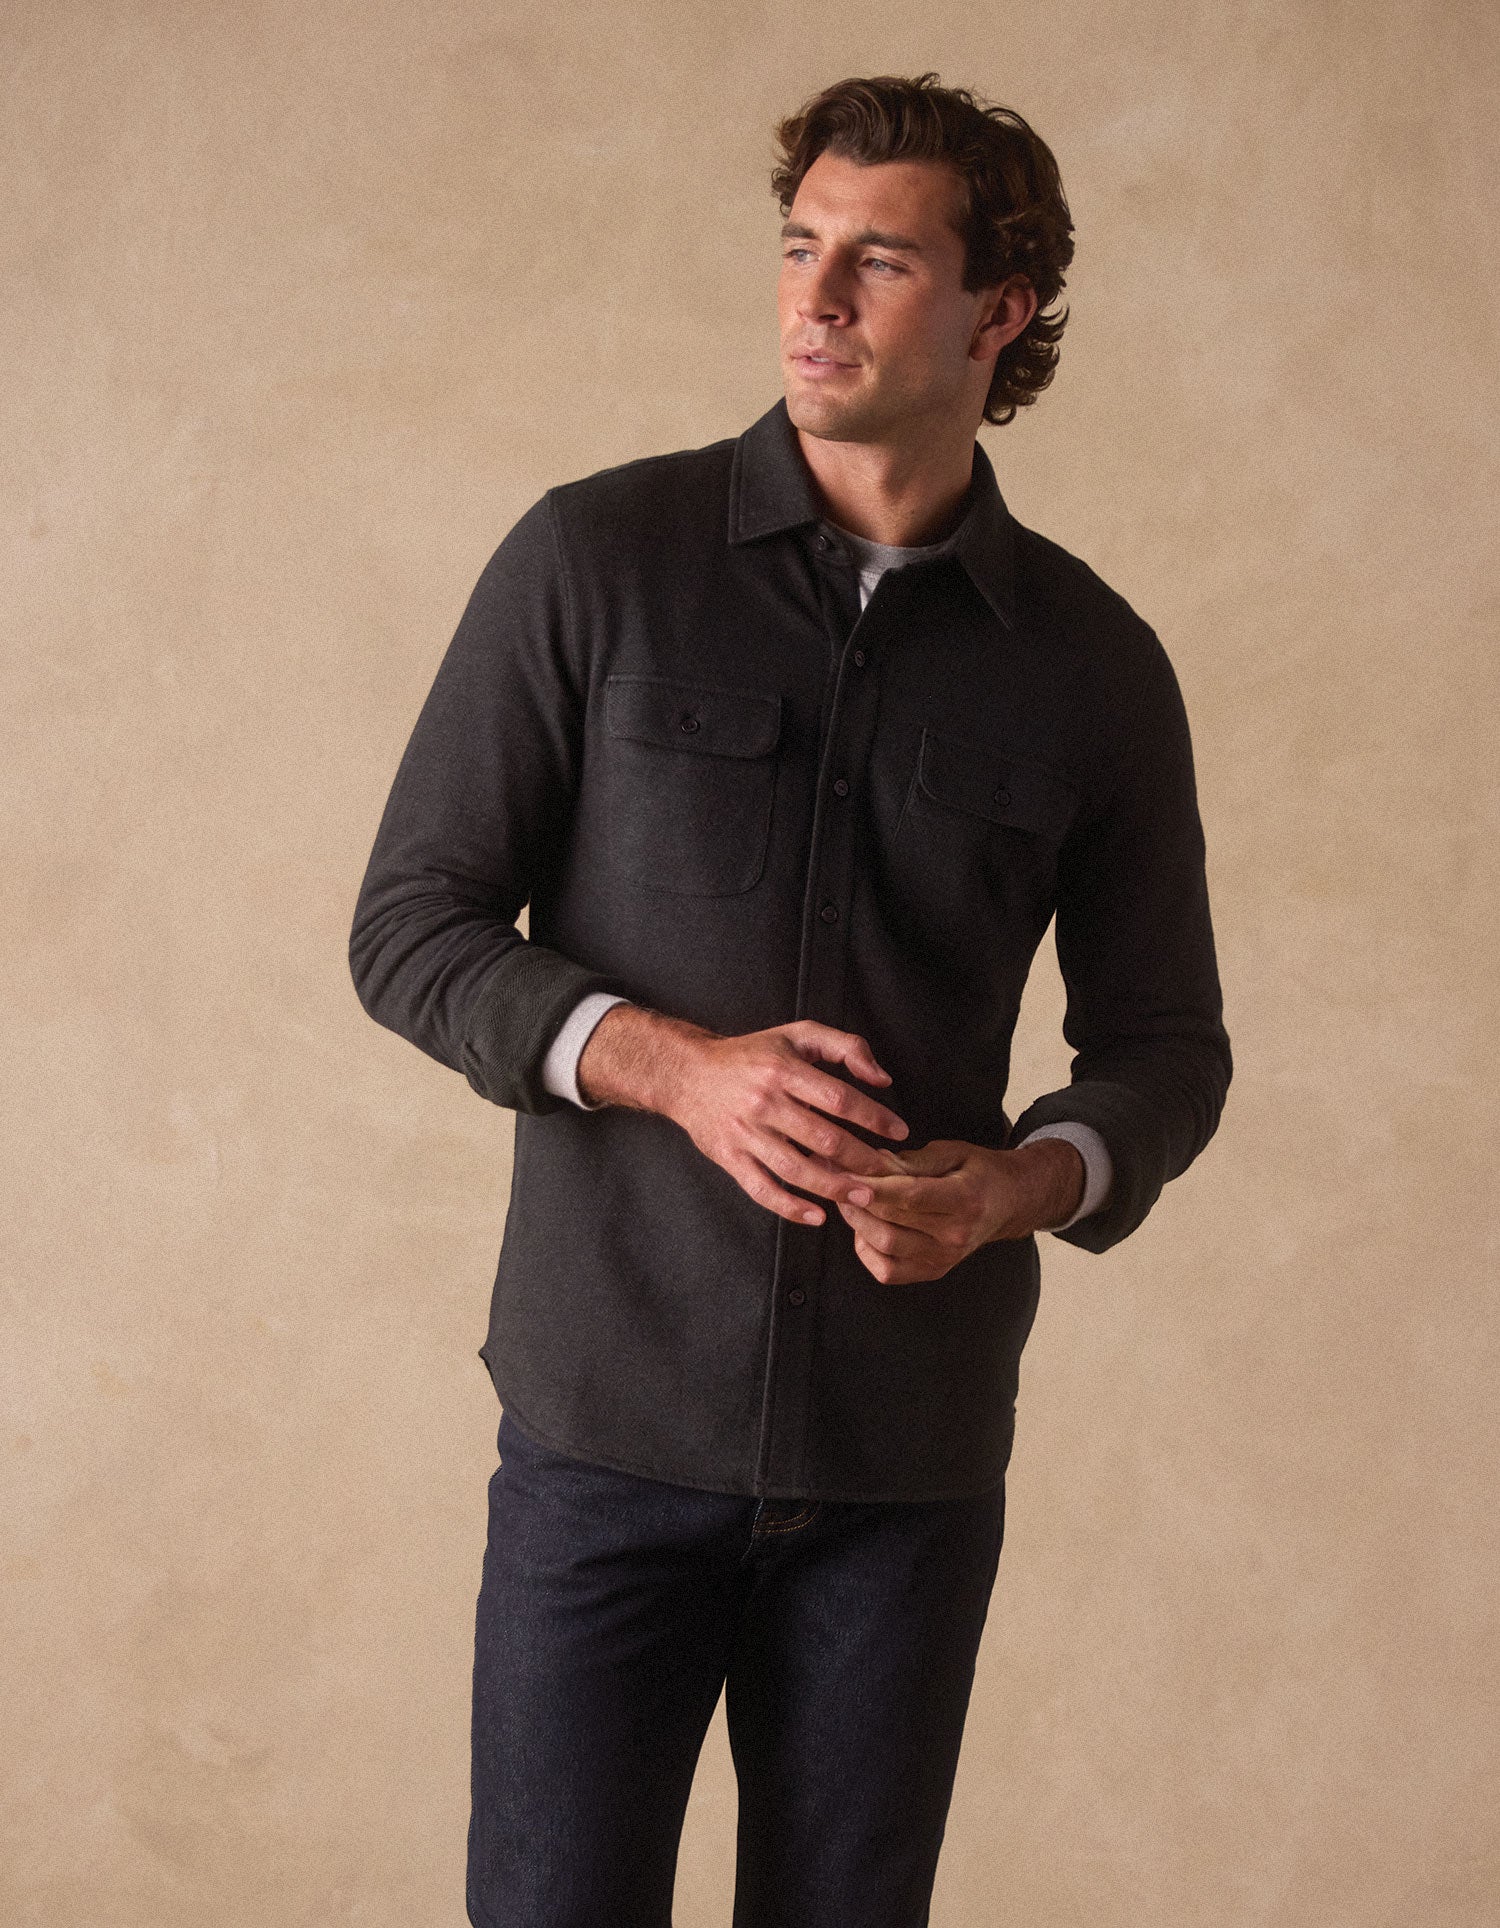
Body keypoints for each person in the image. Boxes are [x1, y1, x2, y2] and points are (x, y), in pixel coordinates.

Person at [349, 70, 1231, 1928]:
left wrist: (1020, 1185)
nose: (814, 299)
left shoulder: (1093, 666)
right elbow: (413, 925)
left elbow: (1166, 1048)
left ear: (998, 311)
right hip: (604, 1432)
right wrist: (670, 1067)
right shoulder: (596, 560)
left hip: (908, 1465)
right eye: (799, 246)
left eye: (879, 261)